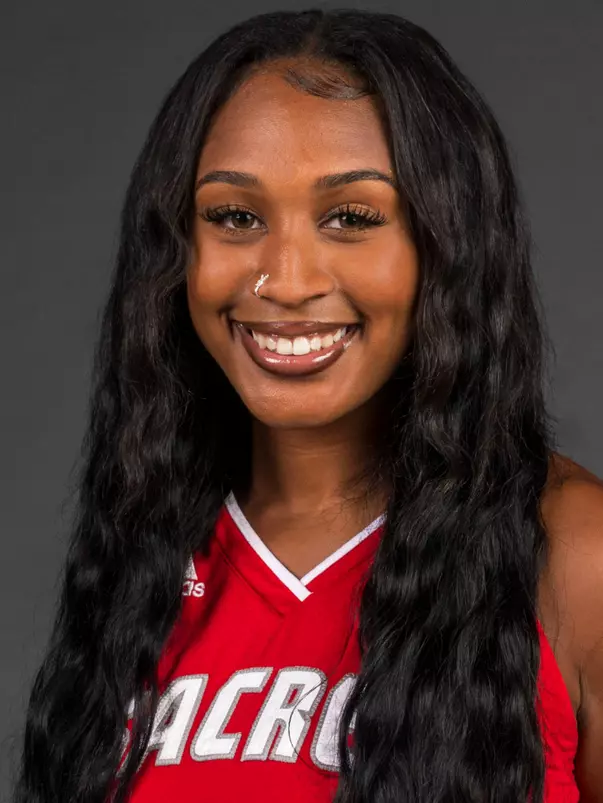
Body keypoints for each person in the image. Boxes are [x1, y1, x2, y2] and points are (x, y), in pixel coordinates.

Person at [13, 8, 603, 803]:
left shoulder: (570, 552)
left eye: (350, 218)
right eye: (235, 217)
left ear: (446, 245)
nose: (286, 280)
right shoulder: (144, 555)